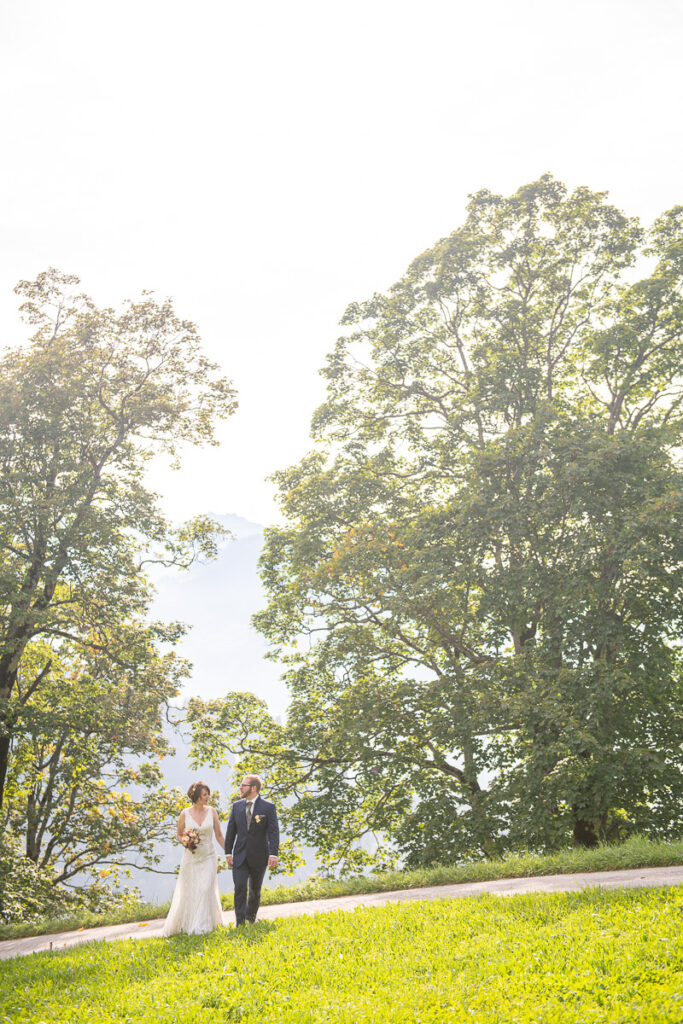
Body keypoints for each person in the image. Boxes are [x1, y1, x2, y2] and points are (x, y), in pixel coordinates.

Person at [162, 780, 225, 936]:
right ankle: (188, 923)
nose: (208, 797)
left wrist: (229, 852)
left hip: (209, 856)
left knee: (205, 889)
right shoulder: (184, 813)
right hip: (191, 858)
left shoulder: (212, 811)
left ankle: (202, 926)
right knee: (191, 891)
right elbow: (178, 833)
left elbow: (218, 835)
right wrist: (185, 841)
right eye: (204, 794)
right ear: (196, 796)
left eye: (208, 794)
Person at [225, 774, 279, 926]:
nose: (240, 788)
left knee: (255, 890)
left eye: (244, 785)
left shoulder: (268, 807)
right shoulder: (236, 806)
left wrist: (273, 854)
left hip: (259, 855)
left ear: (253, 788)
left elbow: (274, 832)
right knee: (240, 887)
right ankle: (240, 923)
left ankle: (250, 919)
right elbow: (231, 831)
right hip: (239, 855)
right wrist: (228, 852)